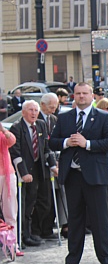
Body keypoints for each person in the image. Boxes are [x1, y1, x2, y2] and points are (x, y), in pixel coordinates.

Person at [49, 82, 108, 264]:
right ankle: (72, 260)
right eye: (78, 93)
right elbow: (52, 142)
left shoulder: (104, 117)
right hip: (72, 176)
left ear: (91, 96)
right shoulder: (65, 118)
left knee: (99, 220)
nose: (81, 96)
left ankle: (106, 258)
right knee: (75, 220)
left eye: (85, 93)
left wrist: (86, 143)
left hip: (95, 176)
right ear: (74, 96)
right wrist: (66, 142)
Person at [9, 100, 56, 248]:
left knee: (39, 202)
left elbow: (46, 148)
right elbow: (15, 152)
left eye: (36, 110)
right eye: (31, 110)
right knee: (24, 205)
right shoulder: (16, 128)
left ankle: (32, 232)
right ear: (23, 112)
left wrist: (54, 165)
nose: (34, 113)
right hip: (23, 171)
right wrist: (23, 173)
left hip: (38, 169)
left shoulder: (41, 125)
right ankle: (22, 236)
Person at [32, 93, 60, 241]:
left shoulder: (54, 119)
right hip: (40, 166)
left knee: (50, 199)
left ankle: (47, 228)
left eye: (55, 107)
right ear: (42, 105)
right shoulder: (36, 118)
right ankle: (36, 230)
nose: (53, 110)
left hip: (53, 162)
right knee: (42, 200)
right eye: (51, 107)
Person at [0, 124, 22, 256]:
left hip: (8, 174)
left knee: (11, 211)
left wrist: (3, 130)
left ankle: (13, 244)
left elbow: (11, 141)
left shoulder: (3, 132)